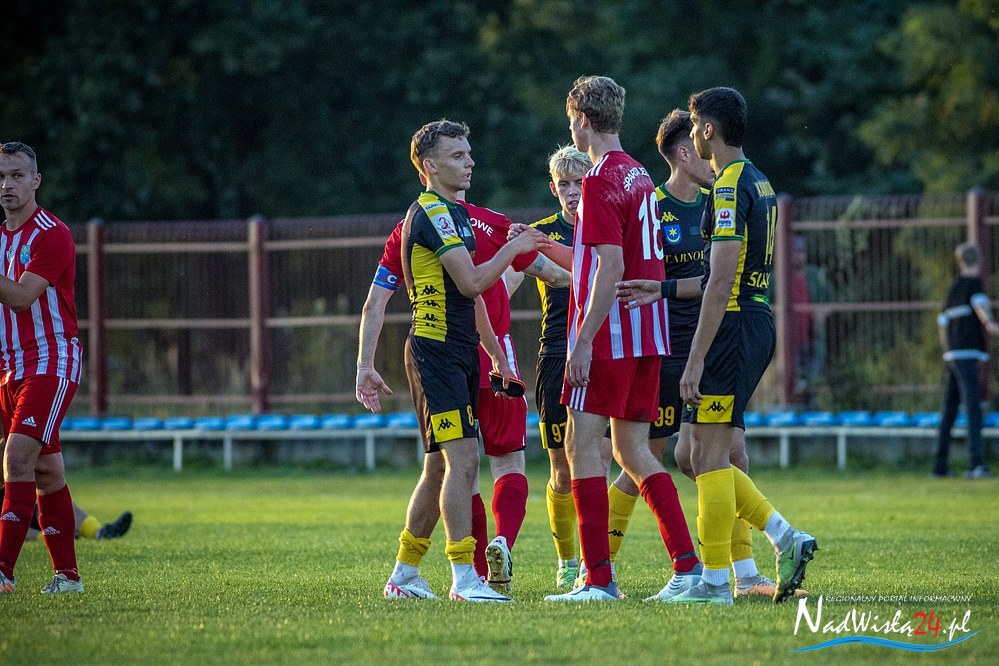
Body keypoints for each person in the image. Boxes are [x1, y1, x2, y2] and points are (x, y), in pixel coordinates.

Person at [618, 88, 817, 604]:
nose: (692, 133)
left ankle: (713, 583)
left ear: (707, 130)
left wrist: (696, 358)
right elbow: (719, 276)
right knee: (690, 452)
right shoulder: (759, 179)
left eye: (694, 124)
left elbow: (720, 279)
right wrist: (666, 291)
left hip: (732, 327)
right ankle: (781, 538)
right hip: (752, 319)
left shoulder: (727, 188)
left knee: (710, 457)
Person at [543, 76, 691, 603]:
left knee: (580, 447)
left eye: (571, 121)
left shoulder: (601, 179)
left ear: (583, 119)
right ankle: (689, 568)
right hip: (646, 332)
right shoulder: (638, 173)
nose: (571, 129)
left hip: (610, 335)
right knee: (633, 452)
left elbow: (610, 265)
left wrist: (582, 341)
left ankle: (598, 580)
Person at [395, 119, 547, 603]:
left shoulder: (455, 214)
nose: (470, 162)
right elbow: (473, 282)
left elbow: (474, 301)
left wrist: (497, 356)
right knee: (462, 462)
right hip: (435, 352)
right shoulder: (433, 214)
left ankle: (404, 575)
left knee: (439, 469)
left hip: (459, 351)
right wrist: (515, 247)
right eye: (457, 156)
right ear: (429, 165)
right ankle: (464, 577)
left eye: (469, 153)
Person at [464, 200, 570, 595]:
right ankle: (502, 541)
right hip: (497, 360)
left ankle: (474, 574)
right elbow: (553, 275)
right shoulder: (494, 225)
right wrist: (600, 282)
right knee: (509, 463)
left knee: (460, 471)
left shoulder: (418, 223)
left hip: (445, 355)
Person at [0, 142, 85, 594]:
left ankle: (2, 571)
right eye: (1, 177)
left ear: (36, 181)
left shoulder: (52, 234)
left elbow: (19, 297)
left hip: (51, 360)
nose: (7, 184)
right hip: (9, 366)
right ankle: (67, 578)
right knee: (47, 471)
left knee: (16, 458)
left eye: (17, 175)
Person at [934, 242, 998, 479]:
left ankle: (940, 466)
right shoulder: (974, 284)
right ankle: (976, 464)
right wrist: (989, 323)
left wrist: (946, 350)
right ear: (979, 261)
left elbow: (942, 322)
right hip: (967, 353)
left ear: (960, 262)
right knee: (973, 407)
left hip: (951, 355)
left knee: (949, 409)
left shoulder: (953, 287)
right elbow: (980, 304)